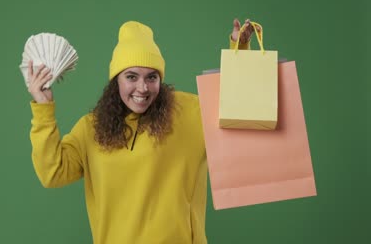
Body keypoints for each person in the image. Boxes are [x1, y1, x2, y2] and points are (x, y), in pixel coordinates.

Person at [27, 18, 258, 244]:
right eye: (131, 77)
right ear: (116, 80)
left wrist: (240, 49)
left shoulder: (190, 113)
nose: (142, 88)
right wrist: (43, 108)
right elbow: (53, 173)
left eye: (152, 77)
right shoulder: (91, 128)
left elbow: (236, 108)